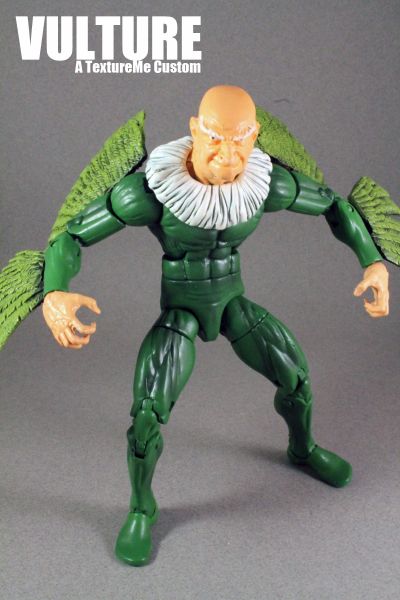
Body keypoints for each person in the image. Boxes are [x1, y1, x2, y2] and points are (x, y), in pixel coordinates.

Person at [41, 85, 389, 565]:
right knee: (146, 415)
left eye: (240, 139)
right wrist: (54, 291)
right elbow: (72, 236)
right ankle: (142, 507)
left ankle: (303, 448)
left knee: (296, 376)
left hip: (230, 302)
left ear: (255, 136)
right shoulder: (149, 192)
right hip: (180, 311)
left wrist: (372, 261)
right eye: (216, 138)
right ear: (195, 130)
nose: (228, 154)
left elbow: (333, 205)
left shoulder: (266, 184)